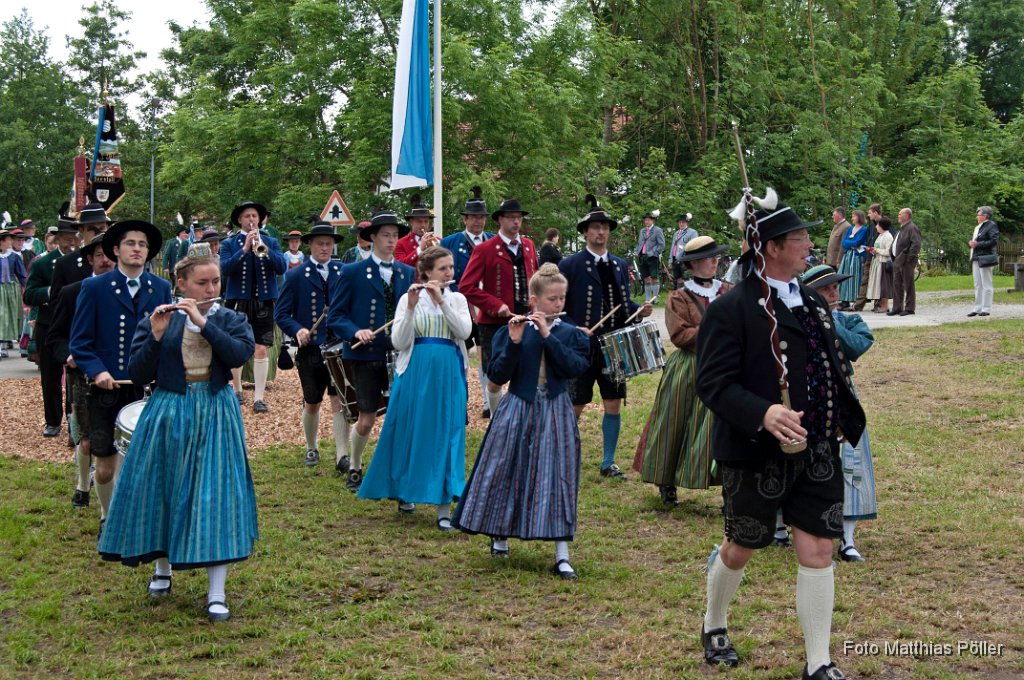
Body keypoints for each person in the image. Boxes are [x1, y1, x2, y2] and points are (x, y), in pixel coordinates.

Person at [695, 194, 865, 680]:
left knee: (818, 549)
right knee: (743, 545)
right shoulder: (731, 309)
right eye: (800, 239)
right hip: (753, 452)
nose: (811, 244)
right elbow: (711, 383)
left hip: (816, 450)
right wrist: (764, 412)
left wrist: (839, 415)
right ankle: (715, 621)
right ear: (770, 248)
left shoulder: (810, 299)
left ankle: (818, 662)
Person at [98, 243, 258, 623]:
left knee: (215, 495)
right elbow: (137, 374)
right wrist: (155, 335)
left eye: (216, 281)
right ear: (182, 283)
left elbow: (238, 356)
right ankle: (163, 568)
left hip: (216, 410)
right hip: (169, 408)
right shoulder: (161, 318)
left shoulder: (229, 318)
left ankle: (216, 592)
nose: (210, 289)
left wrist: (203, 323)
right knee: (164, 487)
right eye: (202, 283)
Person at [453, 264, 591, 578]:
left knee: (557, 476)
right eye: (552, 299)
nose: (558, 304)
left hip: (555, 409)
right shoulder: (511, 330)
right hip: (517, 408)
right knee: (506, 468)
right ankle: (499, 537)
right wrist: (515, 342)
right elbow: (498, 375)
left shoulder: (570, 333)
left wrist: (547, 335)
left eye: (561, 299)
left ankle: (562, 553)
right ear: (534, 300)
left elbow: (574, 368)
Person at [69, 220, 172, 531]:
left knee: (136, 463)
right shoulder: (94, 287)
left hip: (147, 391)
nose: (137, 249)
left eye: (143, 244)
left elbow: (166, 339)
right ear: (116, 250)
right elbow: (80, 342)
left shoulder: (161, 288)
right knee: (104, 466)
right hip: (106, 389)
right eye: (131, 243)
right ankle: (106, 515)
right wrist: (97, 370)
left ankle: (125, 518)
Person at [358, 246, 472, 526]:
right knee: (410, 429)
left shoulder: (457, 298)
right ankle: (405, 491)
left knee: (447, 431)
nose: (449, 273)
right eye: (443, 268)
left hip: (447, 368)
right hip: (415, 369)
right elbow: (399, 341)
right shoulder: (409, 299)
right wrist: (410, 307)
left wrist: (442, 302)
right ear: (427, 272)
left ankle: (444, 507)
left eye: (451, 268)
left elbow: (464, 332)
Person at [559, 195, 652, 479]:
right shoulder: (570, 265)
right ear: (585, 232)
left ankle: (608, 461)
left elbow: (623, 305)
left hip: (614, 345)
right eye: (595, 227)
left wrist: (640, 310)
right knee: (576, 403)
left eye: (605, 227)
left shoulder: (619, 265)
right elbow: (558, 307)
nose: (601, 232)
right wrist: (575, 329)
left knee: (613, 401)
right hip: (581, 346)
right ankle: (565, 459)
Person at [633, 236, 731, 506]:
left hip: (723, 366)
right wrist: (715, 330)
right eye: (710, 258)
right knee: (674, 423)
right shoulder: (679, 297)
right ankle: (666, 482)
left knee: (723, 425)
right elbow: (679, 335)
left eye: (716, 257)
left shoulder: (728, 291)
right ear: (695, 263)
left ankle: (728, 488)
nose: (715, 261)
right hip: (690, 366)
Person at [327, 209, 415, 492]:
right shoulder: (352, 271)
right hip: (365, 354)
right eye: (386, 236)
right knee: (365, 418)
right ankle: (355, 464)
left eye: (395, 236)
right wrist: (356, 331)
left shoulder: (407, 272)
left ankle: (397, 469)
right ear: (373, 238)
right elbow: (336, 316)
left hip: (400, 354)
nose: (391, 241)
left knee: (400, 415)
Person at [801, 264, 877, 563]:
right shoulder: (799, 323)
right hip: (808, 398)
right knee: (799, 459)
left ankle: (847, 538)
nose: (833, 293)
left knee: (851, 463)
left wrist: (829, 320)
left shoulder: (850, 320)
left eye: (835, 287)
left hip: (843, 398)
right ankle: (782, 527)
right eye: (825, 289)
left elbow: (858, 346)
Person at [46, 234, 114, 509]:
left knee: (114, 440)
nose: (106, 259)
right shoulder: (72, 292)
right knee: (85, 439)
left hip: (118, 376)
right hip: (81, 375)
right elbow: (55, 337)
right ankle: (81, 484)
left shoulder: (132, 291)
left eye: (110, 253)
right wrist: (69, 355)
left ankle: (109, 500)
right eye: (100, 254)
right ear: (90, 259)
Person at [274, 223, 348, 468]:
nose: (325, 248)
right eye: (320, 243)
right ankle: (311, 447)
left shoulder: (344, 271)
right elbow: (281, 313)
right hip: (310, 349)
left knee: (340, 400)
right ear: (310, 245)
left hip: (338, 347)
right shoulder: (295, 275)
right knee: (313, 401)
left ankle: (342, 454)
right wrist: (298, 330)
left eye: (328, 243)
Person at [460, 198, 539, 419]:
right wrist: (495, 305)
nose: (516, 222)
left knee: (525, 371)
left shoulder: (528, 246)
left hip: (526, 320)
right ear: (500, 220)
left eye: (519, 218)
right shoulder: (485, 249)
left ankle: (521, 416)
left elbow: (536, 277)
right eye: (512, 218)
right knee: (496, 376)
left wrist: (537, 300)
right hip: (495, 325)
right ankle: (496, 419)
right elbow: (467, 286)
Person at [219, 200, 288, 411]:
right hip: (237, 301)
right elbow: (225, 269)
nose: (251, 220)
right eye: (247, 216)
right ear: (239, 220)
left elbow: (281, 266)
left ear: (260, 220)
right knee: (238, 346)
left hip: (264, 302)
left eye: (254, 216)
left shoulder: (270, 241)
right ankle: (237, 389)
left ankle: (259, 397)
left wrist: (264, 249)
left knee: (261, 347)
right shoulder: (229, 244)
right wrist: (245, 248)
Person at [439, 187, 495, 413]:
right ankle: (458, 399)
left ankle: (486, 401)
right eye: (474, 217)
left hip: (486, 306)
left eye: (481, 217)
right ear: (465, 219)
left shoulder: (492, 241)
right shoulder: (450, 242)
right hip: (459, 305)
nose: (478, 221)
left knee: (485, 355)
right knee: (460, 353)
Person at [24, 214, 79, 437]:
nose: (72, 242)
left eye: (75, 236)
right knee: (50, 377)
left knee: (76, 377)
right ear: (58, 239)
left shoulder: (84, 262)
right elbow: (29, 294)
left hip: (76, 325)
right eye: (66, 237)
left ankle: (74, 421)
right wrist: (49, 292)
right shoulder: (43, 263)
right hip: (49, 324)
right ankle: (52, 421)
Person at [888, 208, 921, 317]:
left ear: (906, 216)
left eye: (900, 214)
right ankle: (897, 307)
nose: (898, 216)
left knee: (908, 284)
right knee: (896, 285)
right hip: (898, 261)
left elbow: (916, 244)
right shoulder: (902, 229)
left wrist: (908, 259)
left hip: (906, 261)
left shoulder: (912, 228)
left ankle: (910, 308)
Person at [968, 206, 1000, 317]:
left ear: (985, 216)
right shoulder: (978, 227)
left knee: (986, 284)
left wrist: (977, 244)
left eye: (979, 214)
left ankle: (986, 308)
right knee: (977, 284)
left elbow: (993, 241)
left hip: (985, 257)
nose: (977, 216)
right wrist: (973, 244)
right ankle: (977, 308)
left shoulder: (991, 225)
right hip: (976, 257)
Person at [0, 228, 28, 346]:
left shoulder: (14, 256)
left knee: (9, 316)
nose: (10, 242)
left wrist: (26, 290)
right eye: (8, 239)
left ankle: (4, 344)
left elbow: (22, 275)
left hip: (11, 290)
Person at [395, 195, 439, 268]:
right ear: (411, 222)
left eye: (426, 221)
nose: (423, 225)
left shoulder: (437, 240)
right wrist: (420, 249)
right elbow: (400, 267)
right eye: (419, 221)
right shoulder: (401, 243)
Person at [837, 210, 869, 309]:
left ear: (859, 217)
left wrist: (852, 243)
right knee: (844, 277)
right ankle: (844, 300)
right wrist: (852, 244)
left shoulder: (864, 229)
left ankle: (856, 300)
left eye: (854, 216)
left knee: (855, 277)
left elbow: (858, 242)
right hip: (848, 256)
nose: (852, 218)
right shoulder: (850, 228)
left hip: (857, 257)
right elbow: (844, 243)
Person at [865, 216, 893, 313]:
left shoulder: (888, 236)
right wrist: (872, 250)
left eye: (877, 225)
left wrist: (877, 250)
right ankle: (880, 305)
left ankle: (885, 306)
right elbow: (877, 248)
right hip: (877, 262)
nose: (876, 226)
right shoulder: (880, 236)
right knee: (879, 285)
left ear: (881, 226)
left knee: (884, 285)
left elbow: (890, 252)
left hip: (883, 263)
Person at [635, 211, 665, 301]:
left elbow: (661, 245)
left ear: (652, 221)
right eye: (645, 220)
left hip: (653, 257)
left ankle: (655, 298)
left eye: (648, 220)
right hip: (642, 256)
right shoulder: (642, 231)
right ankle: (648, 299)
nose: (646, 222)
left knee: (654, 277)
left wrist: (654, 253)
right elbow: (639, 243)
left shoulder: (658, 230)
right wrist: (637, 252)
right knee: (646, 278)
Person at [668, 213, 698, 285]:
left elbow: (694, 246)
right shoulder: (676, 233)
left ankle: (687, 294)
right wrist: (670, 260)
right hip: (675, 258)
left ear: (686, 223)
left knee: (685, 278)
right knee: (677, 278)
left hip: (685, 259)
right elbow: (673, 247)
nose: (681, 224)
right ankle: (680, 294)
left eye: (683, 222)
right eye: (680, 222)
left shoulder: (692, 232)